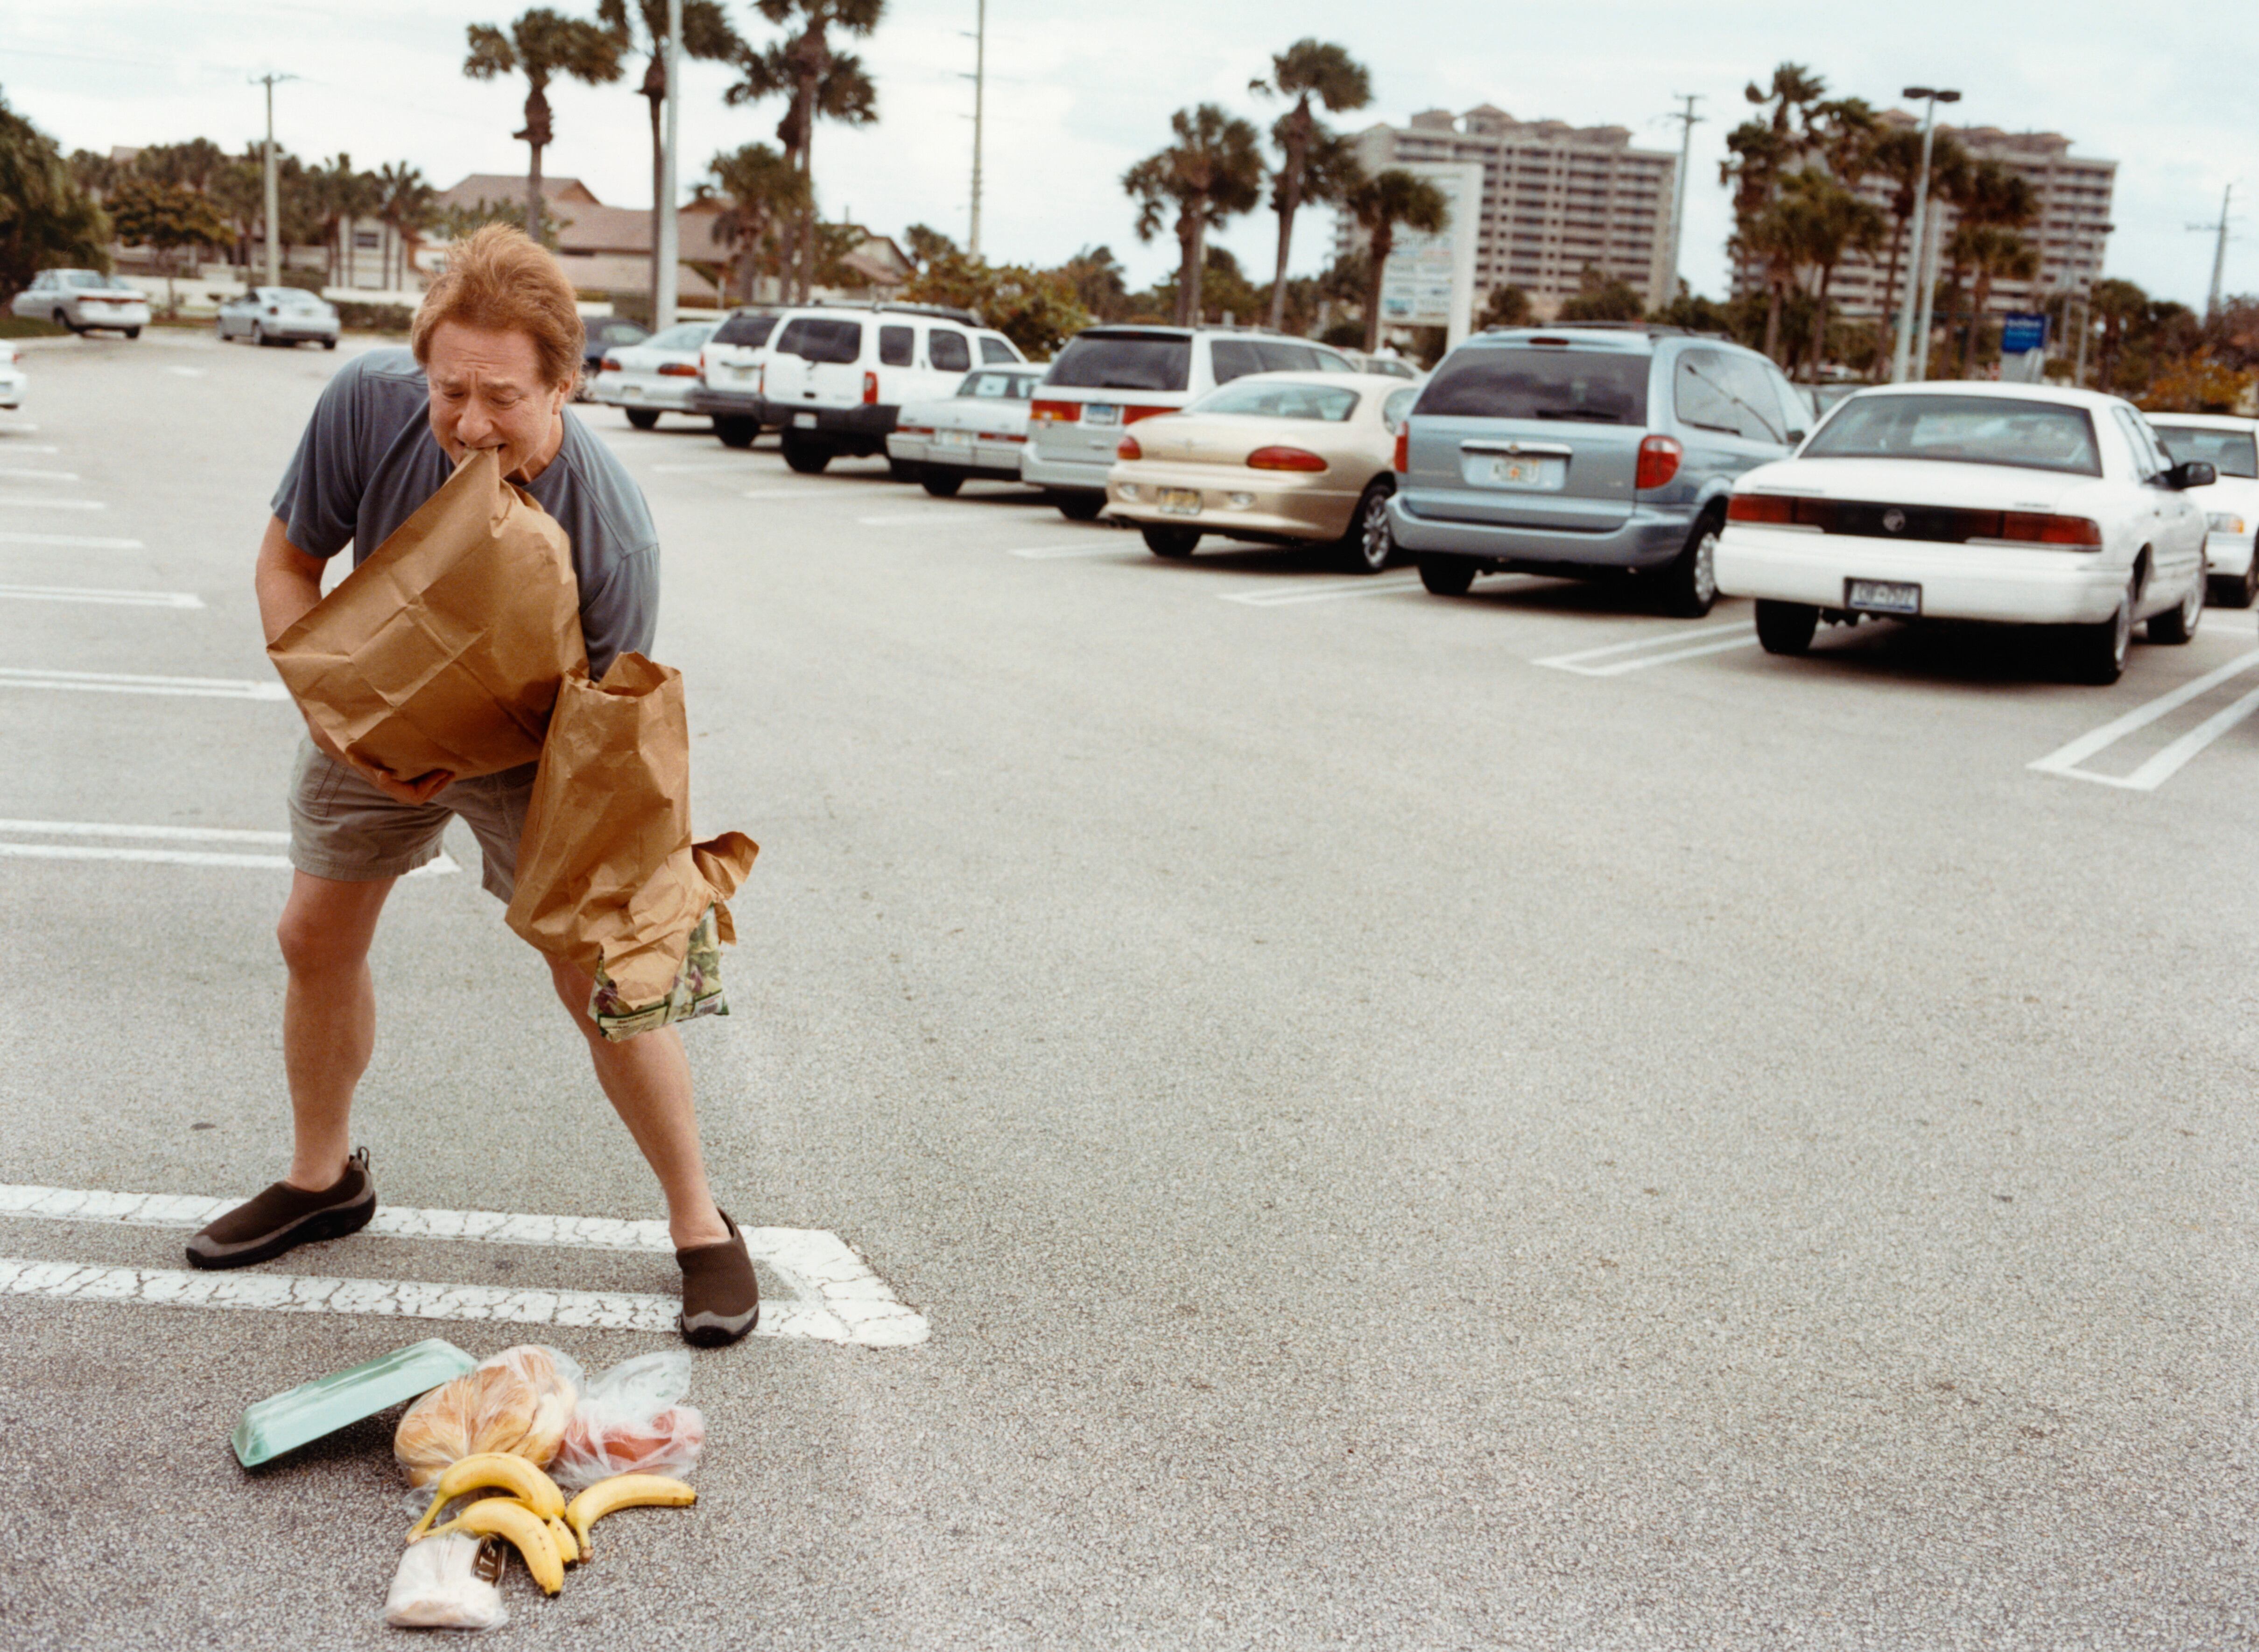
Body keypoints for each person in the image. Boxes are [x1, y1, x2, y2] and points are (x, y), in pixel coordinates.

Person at [186, 225, 759, 1349]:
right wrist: (330, 714)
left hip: (533, 747)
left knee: (595, 976)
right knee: (313, 935)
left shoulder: (613, 536)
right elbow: (288, 565)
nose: (470, 424)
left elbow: (601, 737)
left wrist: (619, 883)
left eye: (503, 398)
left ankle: (700, 1223)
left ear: (563, 386)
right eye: (451, 391)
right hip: (370, 707)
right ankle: (322, 1180)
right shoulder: (366, 404)